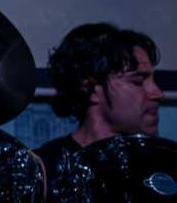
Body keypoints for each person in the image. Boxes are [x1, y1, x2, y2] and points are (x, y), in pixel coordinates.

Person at [35, 22, 163, 194]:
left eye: (153, 81)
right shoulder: (44, 168)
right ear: (91, 88)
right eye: (138, 81)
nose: (157, 93)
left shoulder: (161, 167)